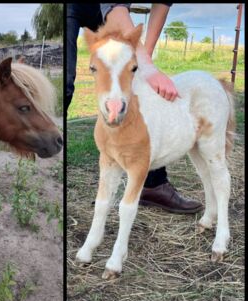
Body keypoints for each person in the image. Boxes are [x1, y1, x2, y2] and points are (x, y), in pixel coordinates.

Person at [67, 3, 203, 214]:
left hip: (116, 10)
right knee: (66, 82)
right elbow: (113, 6)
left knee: (137, 81)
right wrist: (147, 65)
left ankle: (153, 185)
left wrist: (142, 63)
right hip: (78, 7)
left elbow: (162, 5)